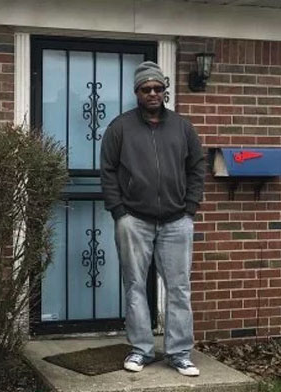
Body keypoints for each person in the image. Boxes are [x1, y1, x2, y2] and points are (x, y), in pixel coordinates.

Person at [100, 61, 205, 376]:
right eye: (146, 89)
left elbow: (197, 168)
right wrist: (118, 211)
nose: (153, 93)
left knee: (179, 287)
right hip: (134, 219)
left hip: (177, 221)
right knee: (134, 285)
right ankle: (141, 350)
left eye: (158, 88)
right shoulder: (120, 128)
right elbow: (107, 172)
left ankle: (179, 353)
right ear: (137, 92)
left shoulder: (183, 127)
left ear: (165, 91)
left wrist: (190, 208)